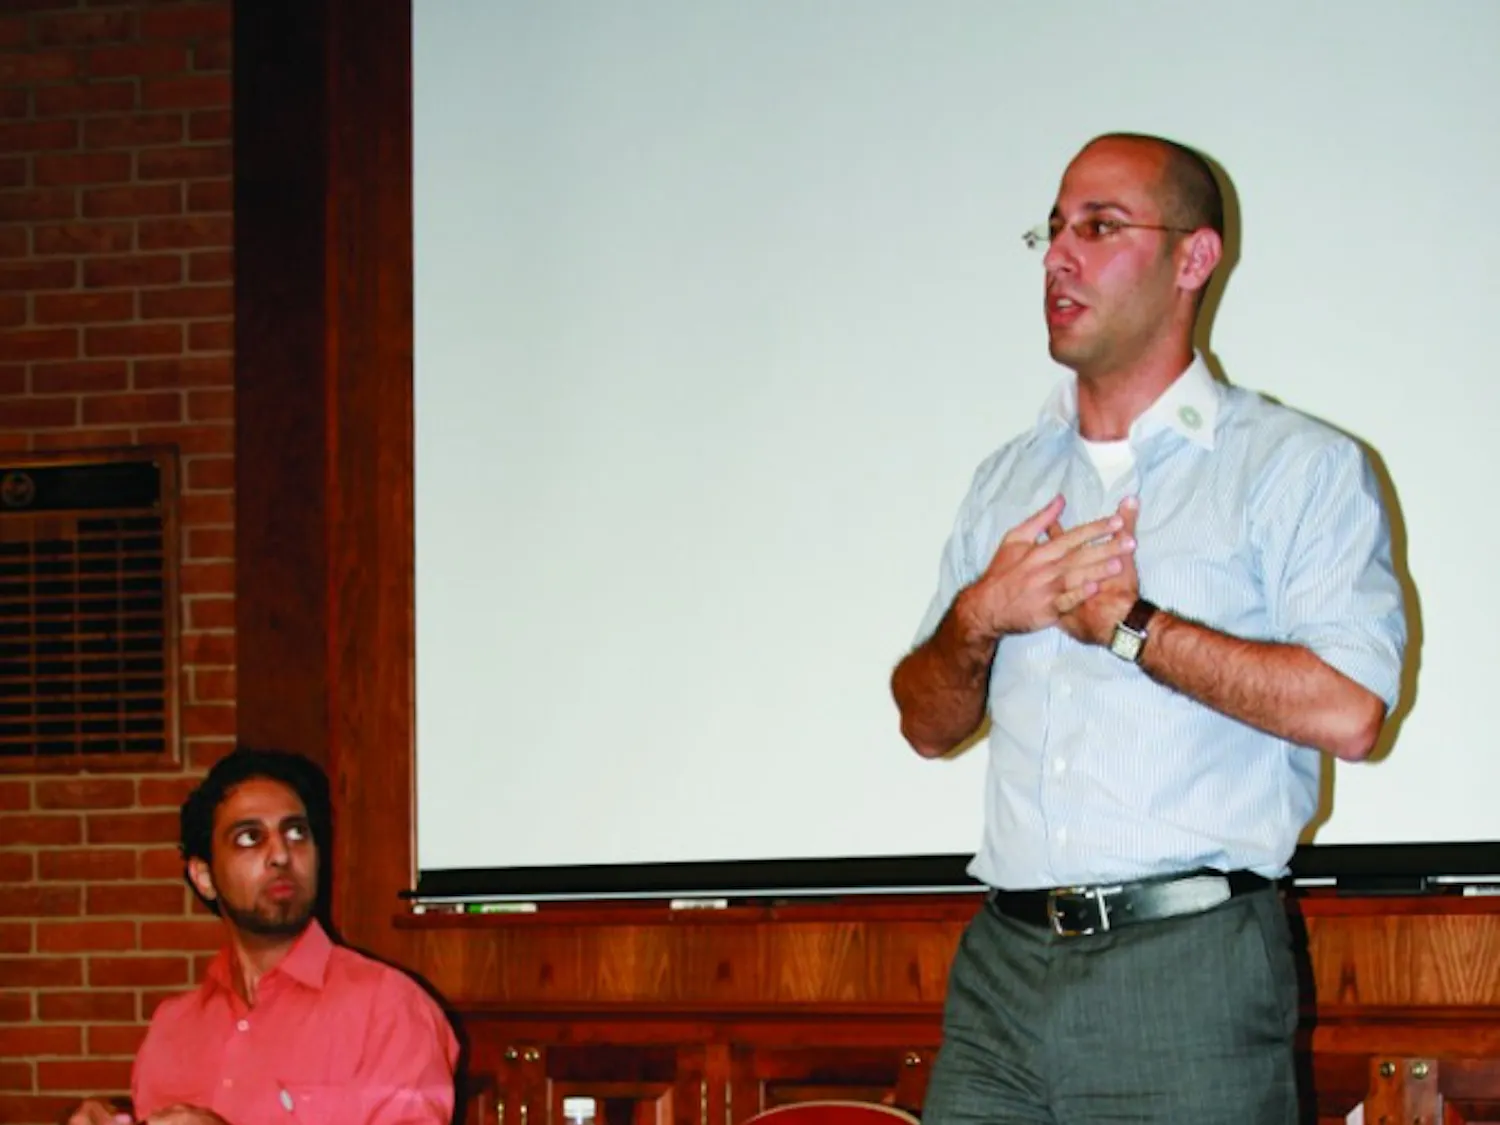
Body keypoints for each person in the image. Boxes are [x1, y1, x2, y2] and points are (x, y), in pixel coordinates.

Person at [890, 133, 1407, 1123]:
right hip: (1001, 970)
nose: (1058, 256)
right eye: (1054, 230)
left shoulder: (1293, 467)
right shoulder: (1007, 479)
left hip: (1186, 967)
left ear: (1193, 258)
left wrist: (1132, 627)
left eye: (1099, 227)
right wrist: (980, 616)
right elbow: (924, 724)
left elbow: (1349, 713)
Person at [67, 749, 459, 1125]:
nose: (281, 854)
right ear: (204, 877)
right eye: (249, 837)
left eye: (296, 833)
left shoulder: (390, 1009)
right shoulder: (172, 1027)